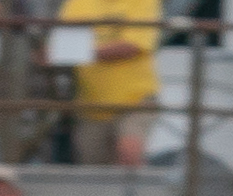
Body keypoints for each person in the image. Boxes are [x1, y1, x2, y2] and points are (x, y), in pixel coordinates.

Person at [60, 0, 163, 168]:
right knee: (93, 172)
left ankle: (136, 194)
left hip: (135, 99)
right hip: (91, 104)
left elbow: (133, 46)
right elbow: (65, 41)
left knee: (129, 154)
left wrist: (81, 52)